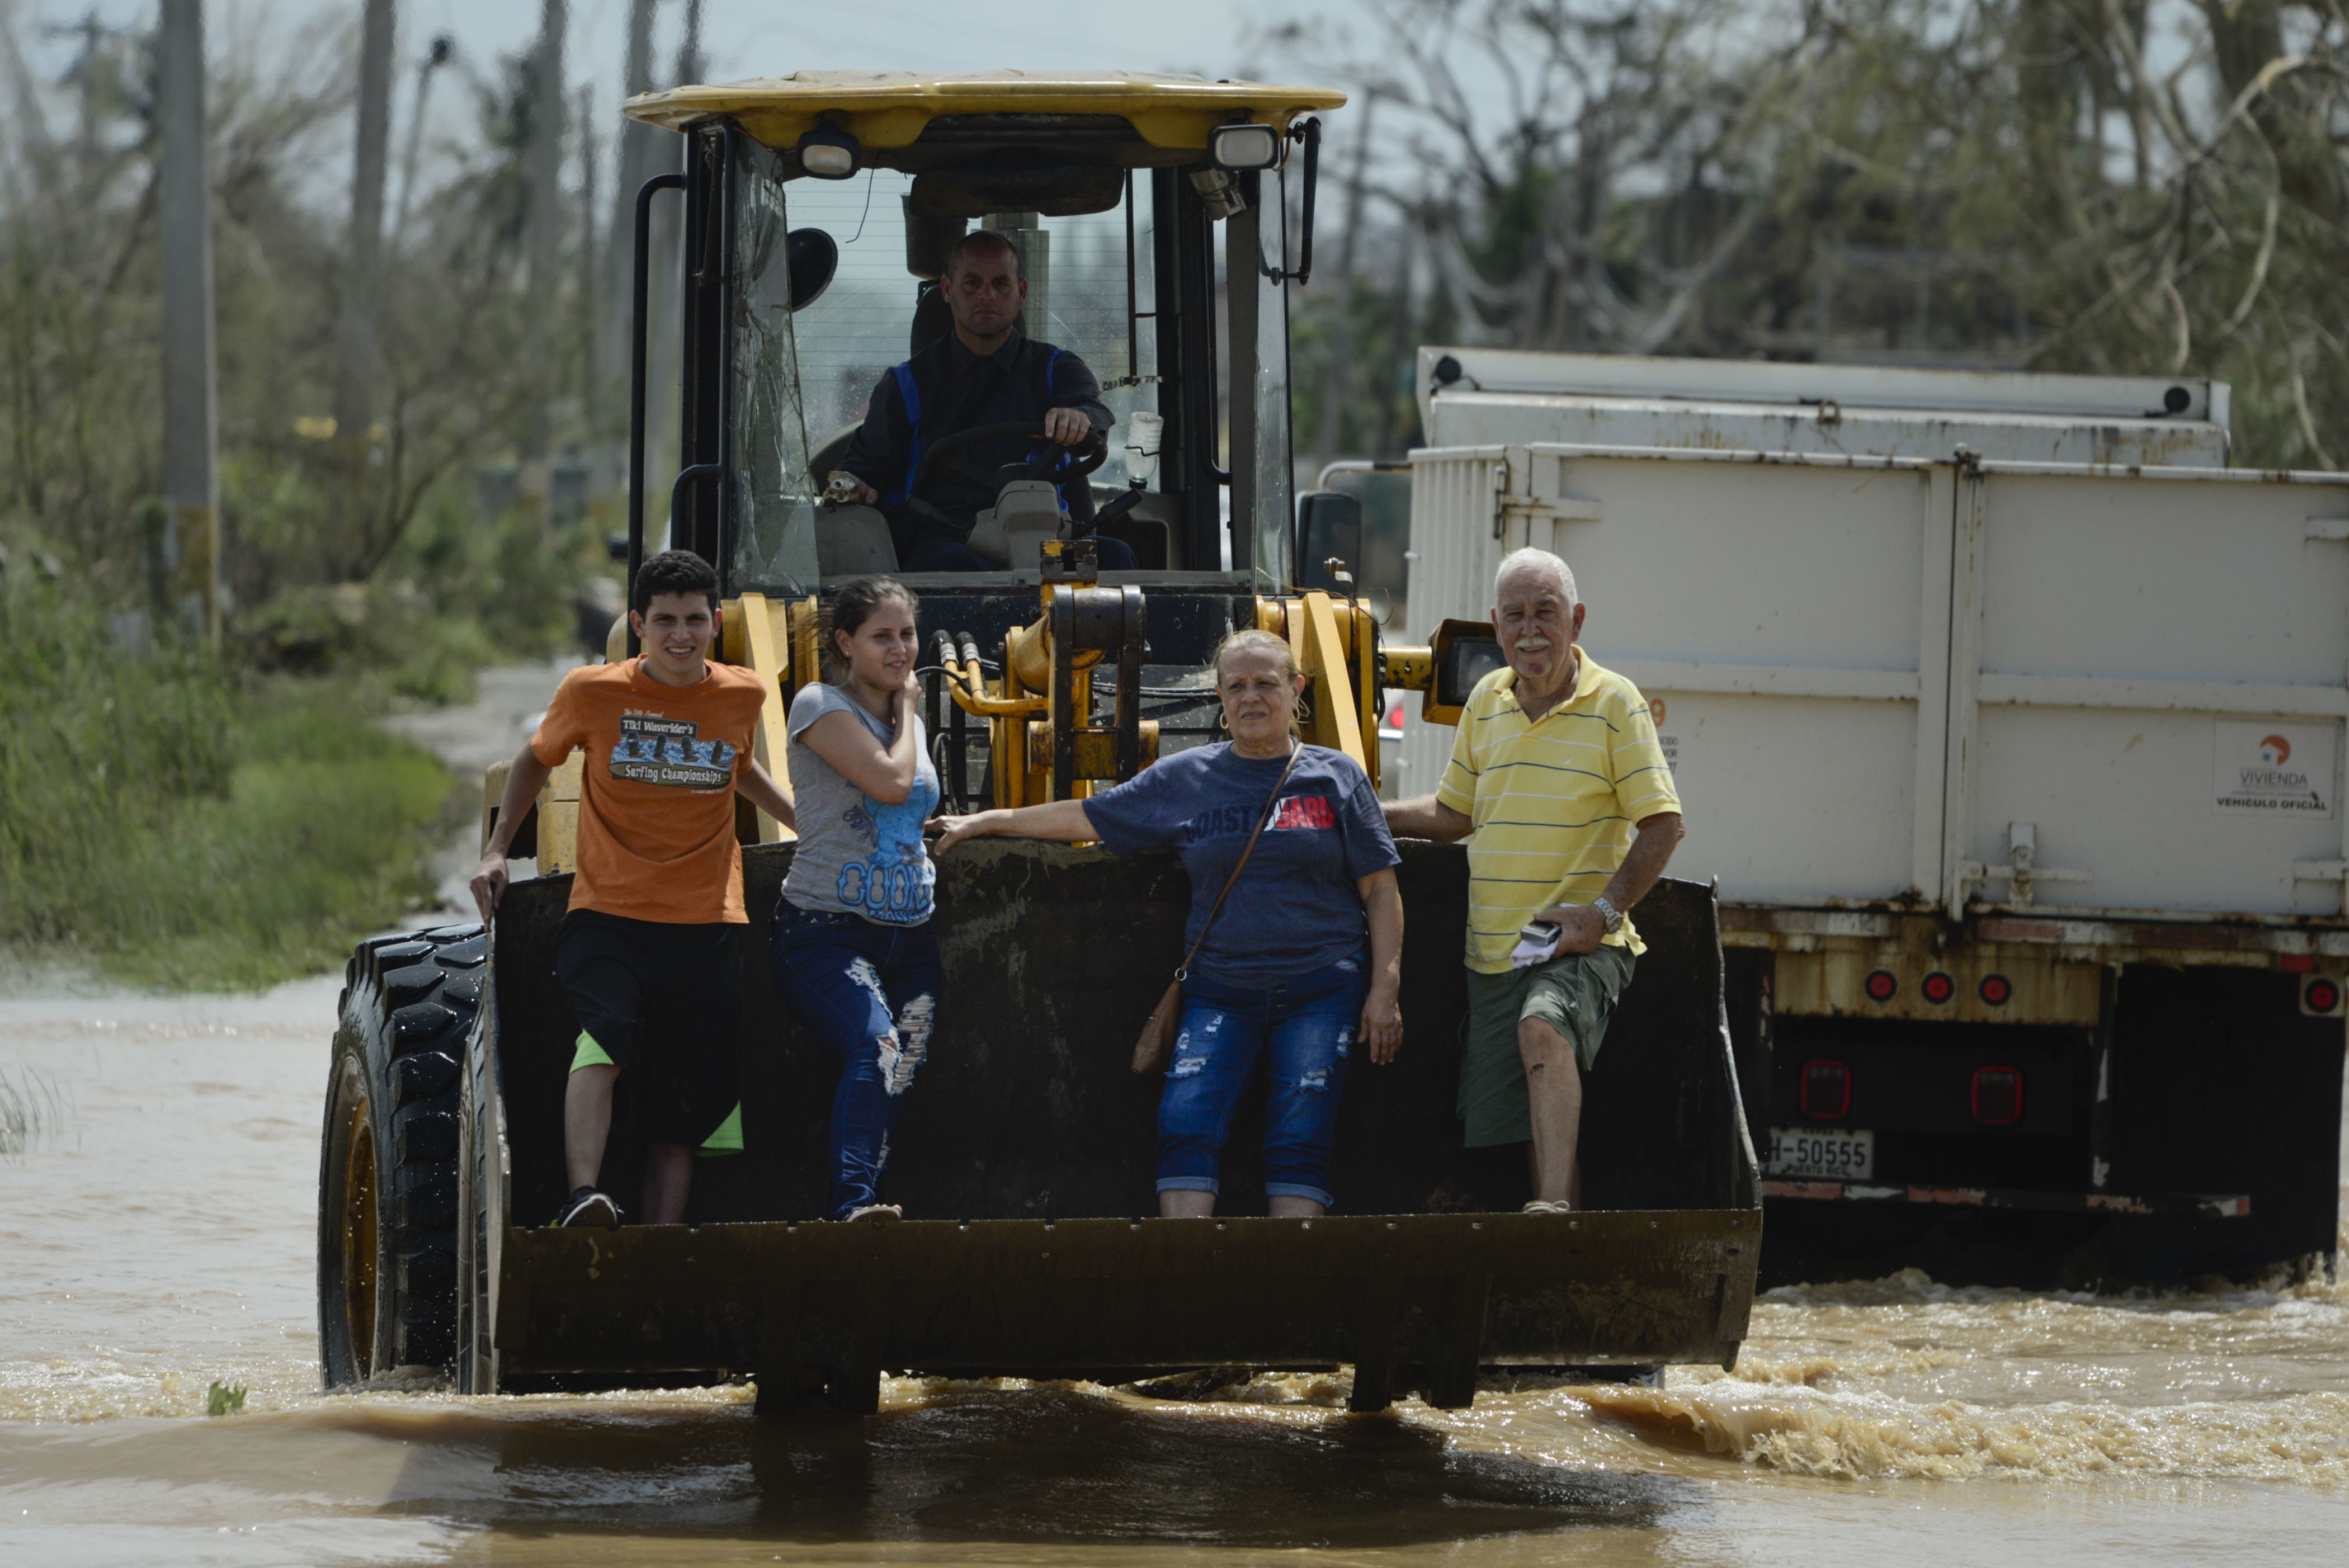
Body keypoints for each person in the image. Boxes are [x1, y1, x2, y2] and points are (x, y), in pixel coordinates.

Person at [932, 629, 1404, 1218]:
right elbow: (1088, 814)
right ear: (1220, 696)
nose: (1251, 697)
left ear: (1296, 689)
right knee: (1185, 1122)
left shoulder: (1338, 776)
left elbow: (1381, 888)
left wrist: (1384, 990)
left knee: (1300, 1136)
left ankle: (1290, 1283)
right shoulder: (1187, 778)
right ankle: (1188, 1277)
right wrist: (988, 821)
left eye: (1266, 683)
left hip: (1321, 987)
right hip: (1221, 989)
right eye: (1237, 686)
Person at [471, 550, 796, 1229]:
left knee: (684, 1101)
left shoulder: (743, 694)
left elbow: (737, 767)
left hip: (709, 921)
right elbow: (536, 758)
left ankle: (658, 1244)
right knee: (607, 1031)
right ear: (639, 624)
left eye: (696, 620)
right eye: (667, 621)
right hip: (609, 914)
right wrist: (498, 850)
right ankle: (581, 1196)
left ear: (714, 625)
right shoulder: (592, 692)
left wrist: (809, 826)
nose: (682, 635)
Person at [1384, 547, 1684, 1213]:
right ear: (1494, 627)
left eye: (1545, 613)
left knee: (1542, 1028)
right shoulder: (1488, 699)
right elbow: (1454, 813)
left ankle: (1552, 1210)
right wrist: (1368, 811)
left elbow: (1664, 826)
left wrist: (1600, 915)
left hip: (1576, 938)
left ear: (1576, 619)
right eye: (1515, 616)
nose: (1530, 631)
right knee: (1521, 1109)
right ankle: (1557, 1232)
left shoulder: (1616, 703)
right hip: (1493, 951)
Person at [769, 575, 943, 1222]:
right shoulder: (820, 704)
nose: (900, 649)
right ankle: (851, 1208)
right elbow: (893, 782)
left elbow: (907, 811)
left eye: (907, 634)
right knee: (877, 1047)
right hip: (827, 931)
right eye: (881, 636)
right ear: (845, 641)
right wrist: (908, 712)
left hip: (913, 940)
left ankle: (872, 1198)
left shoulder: (905, 716)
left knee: (903, 1067)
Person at [829, 229, 1137, 572]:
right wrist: (854, 485)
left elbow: (1092, 410)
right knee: (953, 567)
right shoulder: (906, 383)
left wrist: (1080, 419)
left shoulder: (1057, 369)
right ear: (948, 290)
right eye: (972, 283)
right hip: (949, 542)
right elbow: (865, 467)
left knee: (1113, 559)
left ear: (1021, 292)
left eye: (1001, 284)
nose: (987, 295)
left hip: (1047, 552)